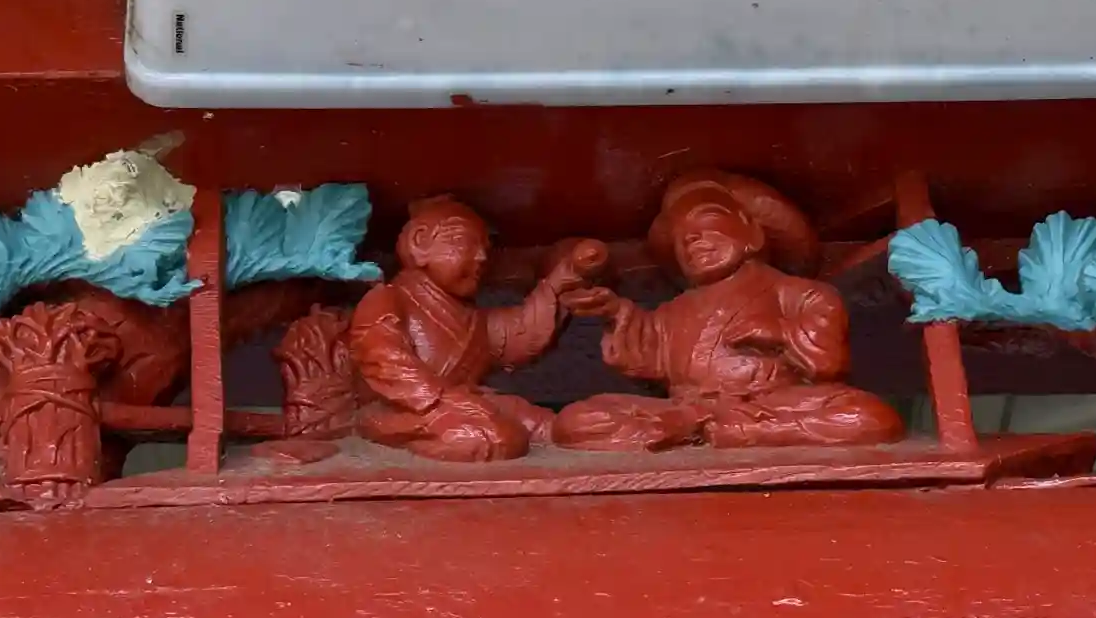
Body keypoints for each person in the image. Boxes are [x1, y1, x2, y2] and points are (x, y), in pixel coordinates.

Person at [552, 171, 904, 451]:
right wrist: (615, 313)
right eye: (681, 237)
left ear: (752, 232)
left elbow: (829, 363)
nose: (691, 239)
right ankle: (697, 428)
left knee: (871, 416)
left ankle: (751, 433)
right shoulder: (673, 310)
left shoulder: (802, 294)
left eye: (707, 220)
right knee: (576, 420)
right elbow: (646, 356)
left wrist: (779, 334)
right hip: (686, 408)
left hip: (770, 404)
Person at [350, 196, 606, 462]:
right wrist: (441, 397)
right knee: (491, 439)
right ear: (420, 242)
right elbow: (383, 358)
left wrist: (560, 284)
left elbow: (521, 331)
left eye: (485, 248)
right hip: (402, 410)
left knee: (553, 426)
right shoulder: (387, 299)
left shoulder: (474, 319)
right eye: (467, 243)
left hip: (466, 403)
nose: (482, 257)